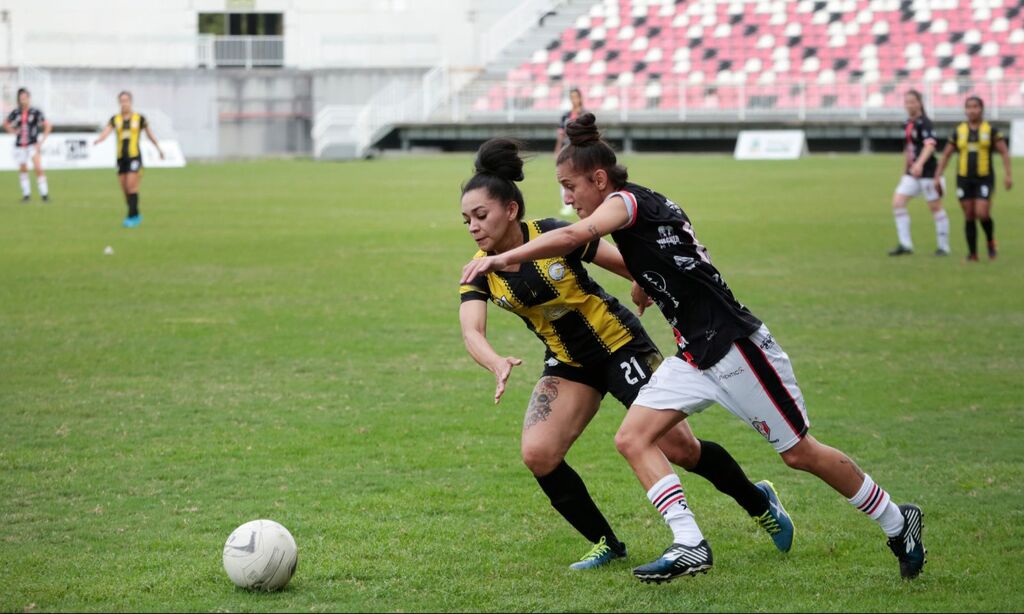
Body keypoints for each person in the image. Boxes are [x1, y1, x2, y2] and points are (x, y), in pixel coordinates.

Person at [461, 114, 926, 584]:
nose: (566, 198)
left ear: (598, 179)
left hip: (733, 345)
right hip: (692, 352)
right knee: (632, 438)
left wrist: (503, 257)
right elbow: (659, 257)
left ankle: (895, 519)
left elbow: (576, 235)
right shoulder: (634, 207)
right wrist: (646, 282)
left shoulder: (625, 202)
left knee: (799, 454)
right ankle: (689, 544)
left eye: (570, 186)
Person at [458, 138, 794, 572]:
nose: (473, 227)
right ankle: (605, 543)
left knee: (681, 449)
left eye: (480, 215)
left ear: (511, 210)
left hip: (620, 346)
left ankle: (758, 500)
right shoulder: (479, 269)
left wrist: (644, 283)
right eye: (466, 219)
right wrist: (495, 361)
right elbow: (472, 330)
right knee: (538, 453)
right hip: (569, 365)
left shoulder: (553, 236)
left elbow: (630, 263)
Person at [934, 96, 1013, 261]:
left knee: (982, 213)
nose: (972, 110)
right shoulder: (959, 131)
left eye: (975, 107)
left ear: (981, 109)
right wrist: (938, 176)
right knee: (969, 214)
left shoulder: (990, 130)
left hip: (984, 178)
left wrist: (1008, 175)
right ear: (965, 110)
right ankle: (973, 254)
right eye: (969, 107)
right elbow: (947, 154)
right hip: (963, 179)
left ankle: (990, 241)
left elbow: (1004, 151)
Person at [889, 90, 950, 257]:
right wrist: (905, 171)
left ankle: (943, 247)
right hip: (912, 173)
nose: (909, 105)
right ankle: (905, 244)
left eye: (912, 102)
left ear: (919, 103)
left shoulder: (925, 123)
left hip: (928, 172)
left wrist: (919, 164)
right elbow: (908, 148)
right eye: (906, 102)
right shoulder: (907, 123)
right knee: (897, 202)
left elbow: (930, 145)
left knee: (935, 207)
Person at [93, 91, 164, 228]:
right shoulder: (115, 119)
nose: (124, 103)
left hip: (134, 157)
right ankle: (136, 213)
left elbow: (150, 134)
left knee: (132, 186)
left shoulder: (139, 119)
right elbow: (106, 132)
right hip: (121, 158)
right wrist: (99, 139)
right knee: (125, 189)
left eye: (126, 100)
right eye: (122, 100)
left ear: (131, 102)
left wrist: (159, 149)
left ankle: (131, 217)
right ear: (119, 102)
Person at [3, 88, 51, 202]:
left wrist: (41, 141)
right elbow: (5, 123)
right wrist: (13, 131)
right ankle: (26, 195)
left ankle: (44, 195)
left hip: (32, 145)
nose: (23, 100)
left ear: (29, 98)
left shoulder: (36, 112)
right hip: (20, 145)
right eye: (21, 99)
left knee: (38, 168)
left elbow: (47, 125)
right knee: (23, 169)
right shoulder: (16, 112)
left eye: (25, 98)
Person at [555, 88, 586, 218]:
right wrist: (557, 149)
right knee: (564, 177)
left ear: (580, 98)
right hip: (567, 150)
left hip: (580, 150)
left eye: (575, 97)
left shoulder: (585, 114)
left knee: (581, 177)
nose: (574, 100)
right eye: (571, 97)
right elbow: (561, 134)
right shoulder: (565, 115)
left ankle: (582, 202)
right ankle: (566, 204)